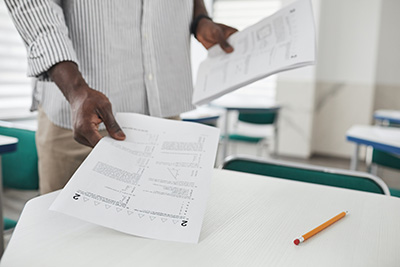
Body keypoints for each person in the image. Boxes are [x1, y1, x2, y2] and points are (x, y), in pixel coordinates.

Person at [5, 0, 237, 194]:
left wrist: (200, 18)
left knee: (158, 241)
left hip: (165, 114)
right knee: (71, 242)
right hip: (84, 120)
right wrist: (75, 88)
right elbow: (34, 6)